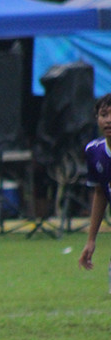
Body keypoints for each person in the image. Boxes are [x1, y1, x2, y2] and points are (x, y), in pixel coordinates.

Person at [78, 93, 111, 275]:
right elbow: (100, 193)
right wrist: (91, 240)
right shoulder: (94, 151)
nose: (109, 120)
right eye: (104, 115)